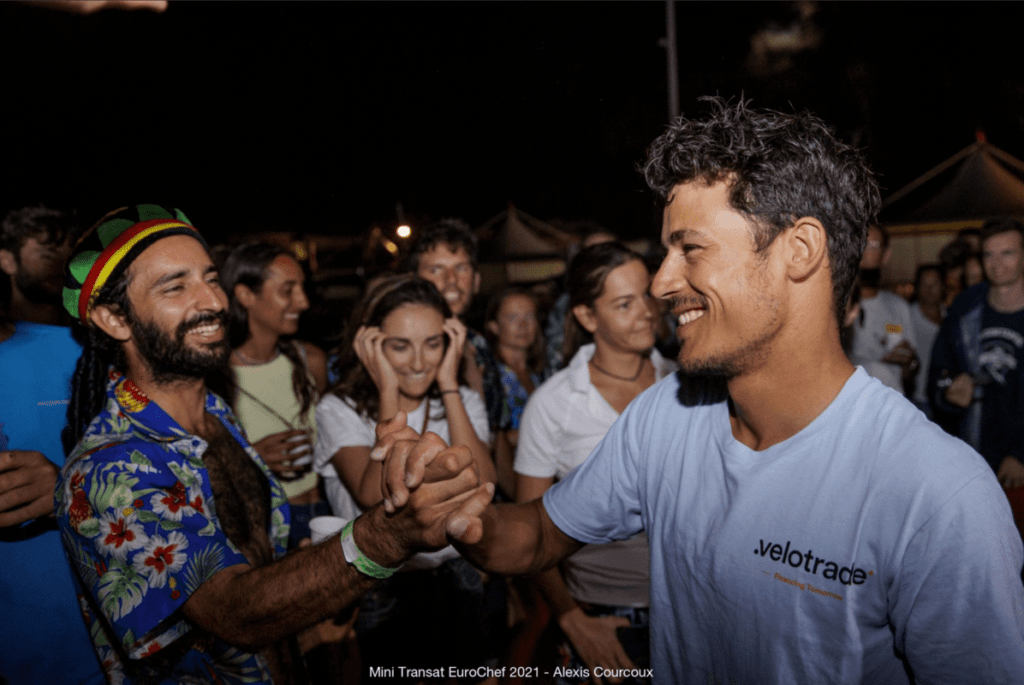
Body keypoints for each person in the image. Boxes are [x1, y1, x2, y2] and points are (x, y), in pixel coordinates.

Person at [373, 99, 1024, 684]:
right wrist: (455, 511)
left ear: (799, 250)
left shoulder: (937, 494)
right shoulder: (664, 416)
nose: (661, 283)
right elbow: (536, 535)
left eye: (690, 248)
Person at [54, 205, 486, 685]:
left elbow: (255, 564)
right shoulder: (109, 469)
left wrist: (310, 597)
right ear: (114, 318)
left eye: (211, 278)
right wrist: (387, 535)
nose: (212, 301)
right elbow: (233, 613)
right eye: (176, 287)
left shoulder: (216, 415)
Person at [315, 274, 498, 681]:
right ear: (371, 345)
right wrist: (388, 390)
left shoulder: (462, 401)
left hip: (457, 577)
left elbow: (485, 482)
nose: (419, 362)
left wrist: (450, 384)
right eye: (400, 346)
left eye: (433, 343)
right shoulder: (338, 408)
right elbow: (375, 492)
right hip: (380, 586)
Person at [515, 243, 675, 684]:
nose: (645, 311)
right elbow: (530, 531)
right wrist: (570, 617)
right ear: (587, 317)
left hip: (689, 607)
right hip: (603, 613)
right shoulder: (554, 404)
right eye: (624, 303)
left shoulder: (686, 384)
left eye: (648, 294)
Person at [0, 205, 104, 685]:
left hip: (114, 616)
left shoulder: (107, 347)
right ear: (6, 260)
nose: (64, 259)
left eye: (70, 248)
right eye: (48, 249)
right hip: (25, 631)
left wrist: (66, 487)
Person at [218, 242, 329, 548]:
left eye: (302, 288)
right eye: (288, 290)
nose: (303, 302)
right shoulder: (218, 378)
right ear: (245, 295)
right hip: (268, 523)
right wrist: (250, 457)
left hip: (324, 511)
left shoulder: (311, 361)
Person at [930, 217, 1024, 489]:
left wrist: (1021, 454)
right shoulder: (965, 307)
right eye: (989, 254)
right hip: (975, 454)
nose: (997, 263)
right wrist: (948, 391)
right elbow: (939, 374)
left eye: (1008, 253)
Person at [405, 218, 505, 435]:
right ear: (414, 282)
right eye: (435, 270)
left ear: (477, 281)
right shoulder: (401, 351)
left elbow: (494, 435)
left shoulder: (479, 345)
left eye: (461, 268)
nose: (451, 280)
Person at [483, 286, 546, 497]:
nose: (523, 325)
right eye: (512, 317)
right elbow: (487, 439)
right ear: (494, 326)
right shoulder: (488, 377)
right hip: (505, 487)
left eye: (529, 316)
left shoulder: (540, 373)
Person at [848, 224, 918, 394]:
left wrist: (908, 362)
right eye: (859, 243)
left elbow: (912, 366)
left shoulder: (898, 306)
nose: (864, 251)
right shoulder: (840, 307)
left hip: (892, 400)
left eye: (872, 245)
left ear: (886, 255)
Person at [906, 263, 945, 414]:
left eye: (934, 284)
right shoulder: (907, 316)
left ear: (943, 286)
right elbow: (890, 328)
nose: (929, 289)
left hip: (946, 400)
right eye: (924, 284)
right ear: (917, 287)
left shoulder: (952, 317)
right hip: (919, 400)